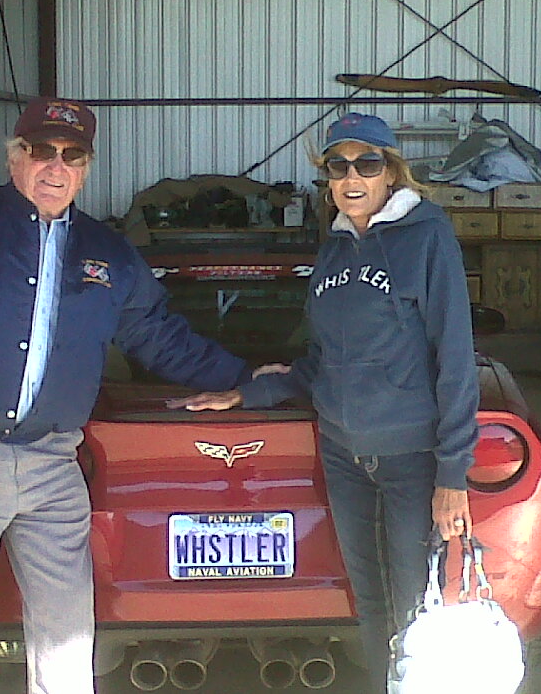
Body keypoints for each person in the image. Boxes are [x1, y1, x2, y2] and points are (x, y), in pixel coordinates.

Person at [0, 97, 258, 694]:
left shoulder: (108, 253)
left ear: (87, 167)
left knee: (68, 629)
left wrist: (250, 381)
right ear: (15, 157)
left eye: (72, 155)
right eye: (41, 151)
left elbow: (162, 339)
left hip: (54, 460)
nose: (56, 166)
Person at [172, 112, 480, 692]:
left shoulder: (428, 237)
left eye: (367, 163)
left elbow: (456, 356)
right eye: (338, 166)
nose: (351, 176)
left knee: (418, 600)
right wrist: (247, 393)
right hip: (343, 455)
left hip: (408, 455)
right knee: (368, 599)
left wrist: (452, 473)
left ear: (392, 172)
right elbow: (319, 363)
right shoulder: (335, 248)